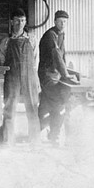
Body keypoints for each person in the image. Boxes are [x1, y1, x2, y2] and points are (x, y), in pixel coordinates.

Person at [0, 8, 40, 147]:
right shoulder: (6, 42)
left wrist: (37, 80)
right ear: (11, 22)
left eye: (22, 20)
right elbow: (2, 61)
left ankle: (35, 142)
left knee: (33, 109)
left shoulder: (32, 39)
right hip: (12, 78)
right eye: (17, 20)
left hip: (30, 77)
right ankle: (8, 142)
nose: (20, 23)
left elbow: (35, 61)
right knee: (9, 109)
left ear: (25, 21)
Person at [37, 10, 75, 144]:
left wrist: (66, 73)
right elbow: (56, 55)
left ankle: (37, 134)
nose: (63, 24)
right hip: (47, 75)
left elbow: (63, 56)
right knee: (59, 103)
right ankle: (54, 136)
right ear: (54, 21)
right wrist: (65, 74)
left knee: (46, 103)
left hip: (55, 75)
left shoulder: (61, 34)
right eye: (60, 21)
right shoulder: (50, 35)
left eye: (65, 22)